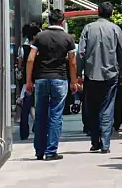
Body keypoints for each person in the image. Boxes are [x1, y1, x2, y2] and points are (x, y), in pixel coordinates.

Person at [25, 9, 78, 160]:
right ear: (63, 21)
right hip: (59, 79)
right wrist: (74, 82)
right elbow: (73, 62)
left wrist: (29, 81)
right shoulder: (68, 38)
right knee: (56, 115)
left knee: (40, 115)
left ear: (49, 20)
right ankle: (51, 151)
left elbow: (30, 59)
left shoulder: (40, 37)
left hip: (41, 79)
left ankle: (39, 151)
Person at [78, 2, 122, 154]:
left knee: (92, 108)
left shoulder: (88, 28)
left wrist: (79, 73)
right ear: (111, 13)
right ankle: (105, 143)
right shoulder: (115, 29)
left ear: (98, 12)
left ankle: (94, 142)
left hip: (91, 74)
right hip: (111, 74)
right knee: (107, 107)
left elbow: (81, 53)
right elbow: (121, 53)